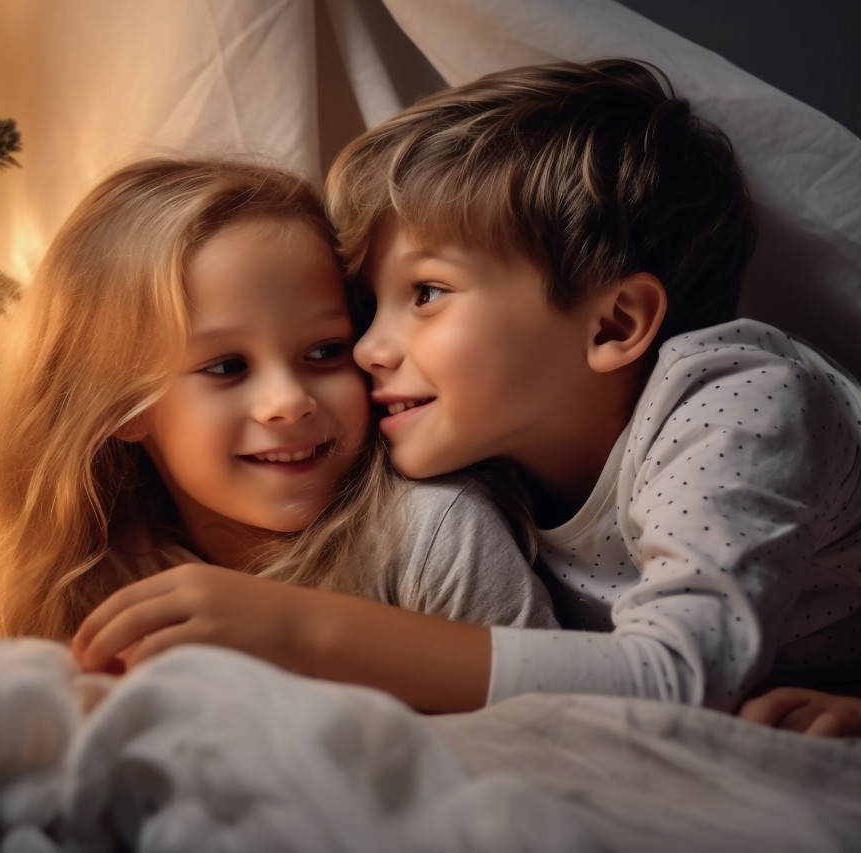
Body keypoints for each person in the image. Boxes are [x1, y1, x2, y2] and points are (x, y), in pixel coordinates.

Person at [77, 60, 861, 738]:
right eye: (366, 306)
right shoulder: (488, 453)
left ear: (615, 323)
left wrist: (300, 628)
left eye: (425, 292)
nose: (366, 348)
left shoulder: (741, 403)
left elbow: (678, 676)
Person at [0, 157, 553, 653]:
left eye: (324, 350)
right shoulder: (93, 577)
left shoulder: (430, 533)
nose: (287, 401)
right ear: (124, 406)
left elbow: (566, 734)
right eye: (227, 367)